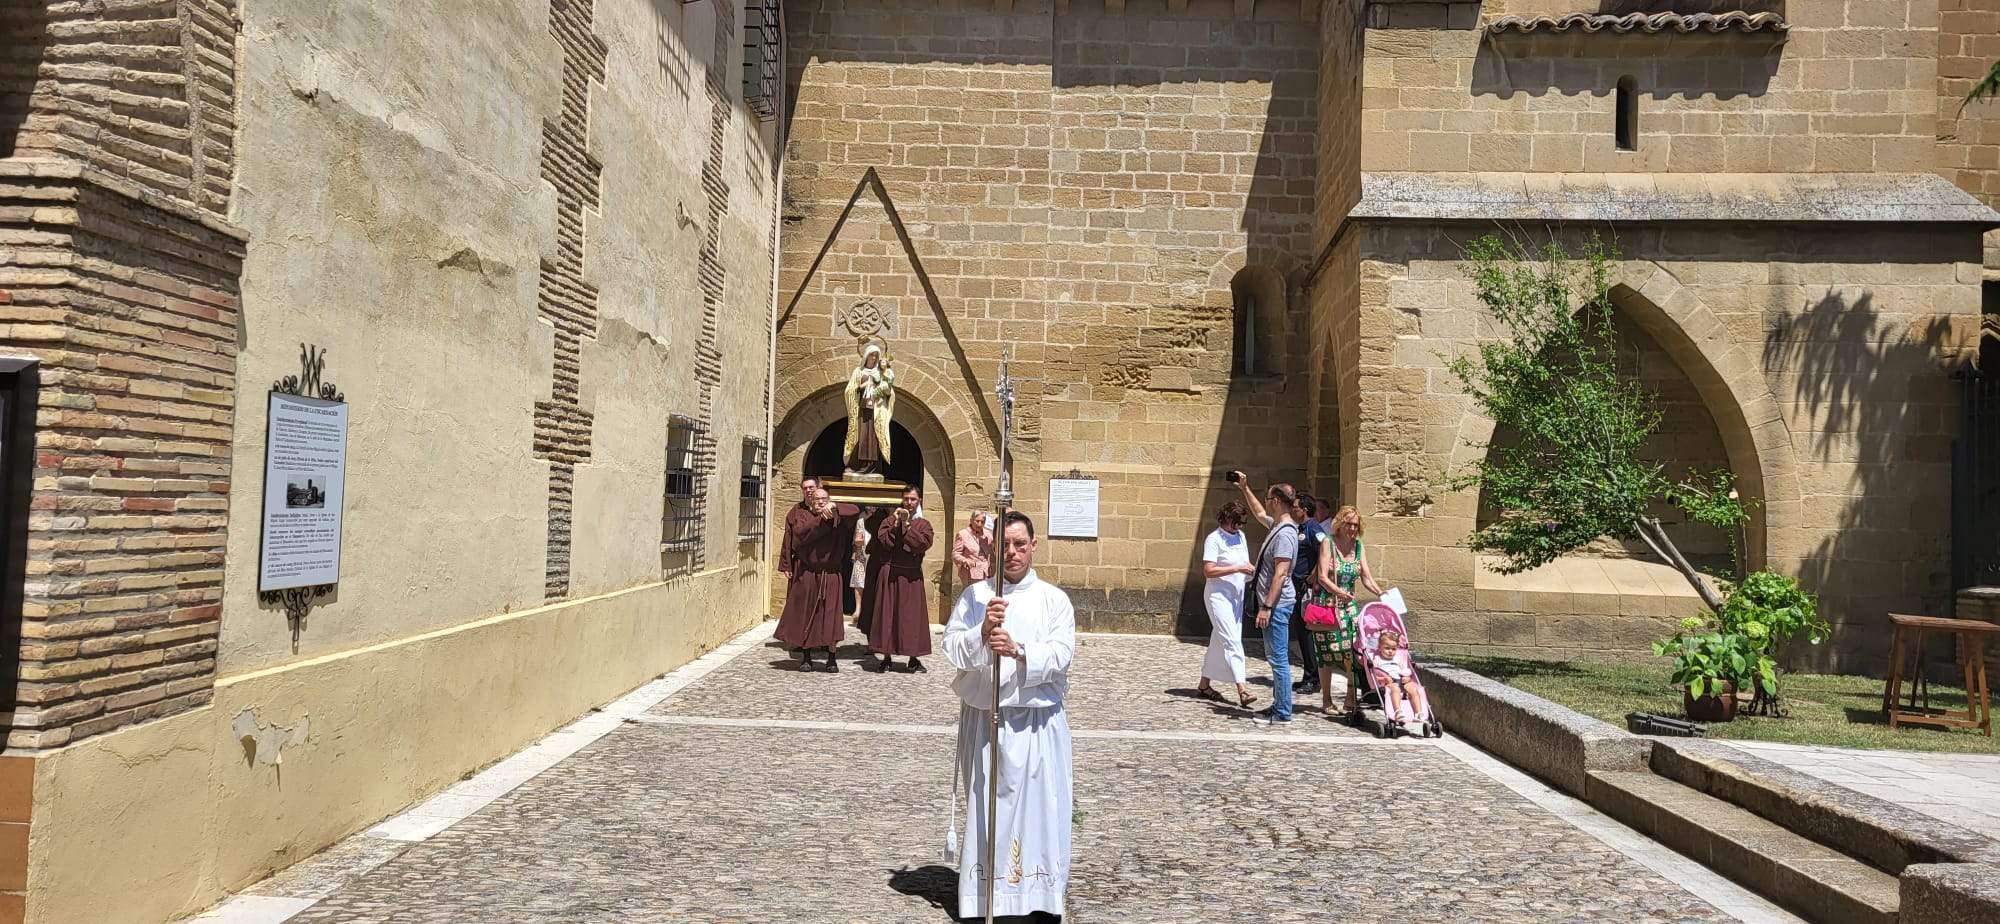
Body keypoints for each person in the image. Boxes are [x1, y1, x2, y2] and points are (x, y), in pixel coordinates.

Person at [943, 512, 1074, 921]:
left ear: (1034, 546)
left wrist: (1020, 651)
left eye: (1020, 544)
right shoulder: (976, 596)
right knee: (987, 805)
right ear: (993, 547)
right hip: (987, 721)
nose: (1012, 552)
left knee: (1039, 808)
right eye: (1005, 545)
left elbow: (1062, 653)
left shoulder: (1054, 599)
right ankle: (988, 897)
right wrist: (981, 635)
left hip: (1036, 723)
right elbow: (951, 646)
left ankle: (1036, 896)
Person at [1231, 472, 1300, 727]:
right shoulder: (1278, 527)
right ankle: (1280, 704)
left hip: (1277, 606)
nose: (1266, 500)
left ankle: (1282, 712)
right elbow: (1260, 514)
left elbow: (1281, 574)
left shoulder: (1285, 535)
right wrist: (1244, 488)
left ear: (1278, 501)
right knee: (1275, 657)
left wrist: (1267, 607)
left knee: (1278, 659)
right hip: (1274, 604)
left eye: (1269, 496)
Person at [775, 479, 861, 672]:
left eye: (824, 499)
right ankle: (806, 657)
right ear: (811, 501)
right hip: (808, 572)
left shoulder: (837, 515)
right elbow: (799, 534)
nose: (821, 502)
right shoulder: (802, 516)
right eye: (817, 499)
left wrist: (835, 507)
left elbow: (854, 510)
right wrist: (821, 518)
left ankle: (831, 657)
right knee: (806, 614)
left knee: (831, 615)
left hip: (830, 574)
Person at [863, 485, 935, 672]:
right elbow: (884, 541)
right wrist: (896, 524)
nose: (909, 503)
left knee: (911, 617)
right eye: (906, 499)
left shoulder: (924, 524)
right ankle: (886, 656)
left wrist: (908, 527)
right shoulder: (889, 521)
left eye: (913, 499)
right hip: (890, 573)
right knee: (887, 614)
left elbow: (921, 544)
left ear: (919, 501)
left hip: (911, 575)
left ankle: (913, 657)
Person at [1321, 505, 1385, 714]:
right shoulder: (1327, 543)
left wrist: (1380, 593)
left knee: (1353, 651)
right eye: (1348, 523)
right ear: (1339, 523)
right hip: (1328, 604)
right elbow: (1322, 576)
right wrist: (1338, 591)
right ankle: (1327, 700)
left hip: (1350, 608)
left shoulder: (1358, 546)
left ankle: (1350, 698)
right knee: (1327, 653)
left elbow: (1365, 576)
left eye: (1355, 525)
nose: (1351, 528)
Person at [1196, 500, 1258, 709]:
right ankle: (1243, 688)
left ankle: (1204, 684)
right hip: (1218, 596)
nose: (1239, 527)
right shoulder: (1214, 539)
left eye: (1241, 523)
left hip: (1236, 597)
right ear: (1226, 519)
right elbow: (1209, 570)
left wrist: (1251, 571)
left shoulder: (1241, 537)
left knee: (1219, 639)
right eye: (1236, 523)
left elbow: (1244, 564)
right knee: (1232, 640)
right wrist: (1237, 568)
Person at [1289, 493, 1326, 698]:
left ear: (1304, 509)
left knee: (1307, 633)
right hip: (1295, 588)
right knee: (1302, 634)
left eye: (1295, 506)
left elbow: (1325, 552)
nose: (1293, 509)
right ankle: (1308, 675)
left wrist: (1313, 577)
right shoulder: (1299, 529)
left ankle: (1314, 679)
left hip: (1306, 590)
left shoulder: (1314, 529)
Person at [1371, 630, 1428, 735]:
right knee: (1395, 689)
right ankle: (1398, 711)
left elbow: (1404, 670)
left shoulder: (1397, 659)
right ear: (1379, 648)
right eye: (1387, 648)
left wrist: (1408, 678)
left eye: (1393, 649)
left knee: (1413, 689)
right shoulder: (1377, 659)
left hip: (1401, 680)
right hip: (1388, 682)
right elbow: (1374, 675)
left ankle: (1418, 713)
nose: (1390, 651)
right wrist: (1383, 679)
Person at [952, 510, 994, 586]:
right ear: (971, 520)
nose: (979, 524)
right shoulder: (963, 534)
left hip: (986, 572)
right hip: (971, 573)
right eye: (977, 521)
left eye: (982, 522)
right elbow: (955, 554)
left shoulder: (988, 534)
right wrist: (964, 560)